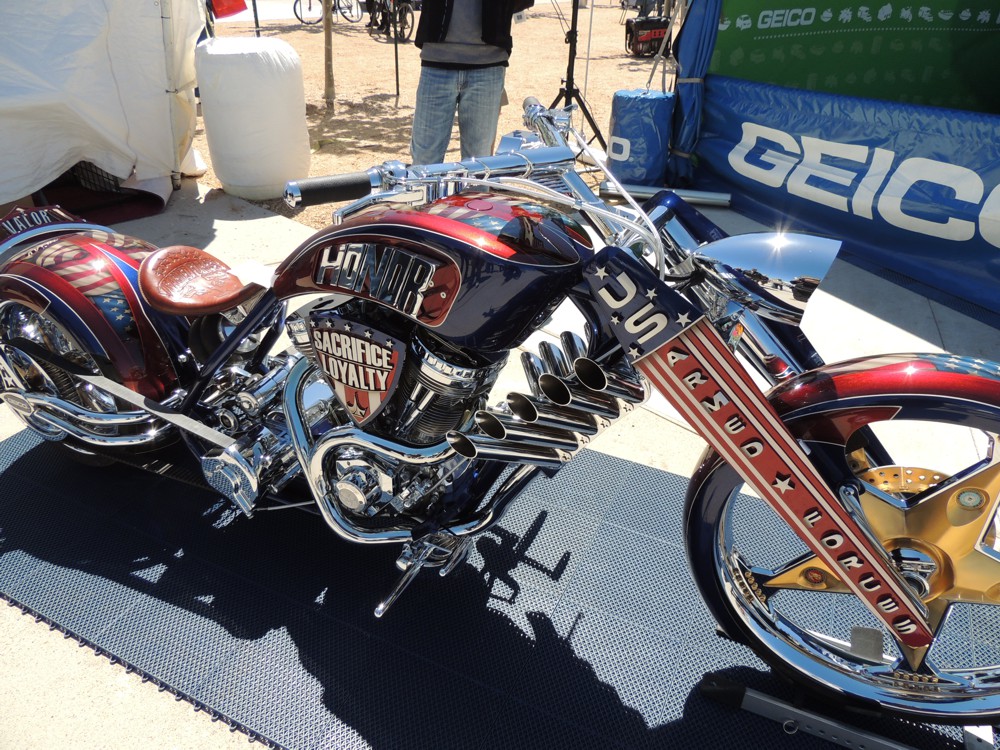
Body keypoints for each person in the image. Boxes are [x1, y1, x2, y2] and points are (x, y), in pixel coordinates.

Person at [410, 0, 534, 166]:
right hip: (437, 60)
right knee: (424, 162)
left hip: (488, 62)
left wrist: (499, 11)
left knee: (478, 165)